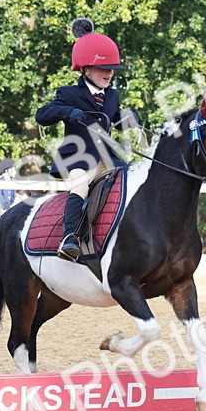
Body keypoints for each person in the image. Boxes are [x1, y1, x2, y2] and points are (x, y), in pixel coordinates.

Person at [35, 17, 127, 261]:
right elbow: (42, 115)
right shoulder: (69, 94)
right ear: (86, 69)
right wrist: (67, 112)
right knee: (80, 185)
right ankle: (70, 238)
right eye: (104, 68)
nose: (109, 73)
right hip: (78, 159)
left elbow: (116, 119)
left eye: (112, 69)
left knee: (131, 180)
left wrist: (129, 119)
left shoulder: (113, 96)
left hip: (107, 159)